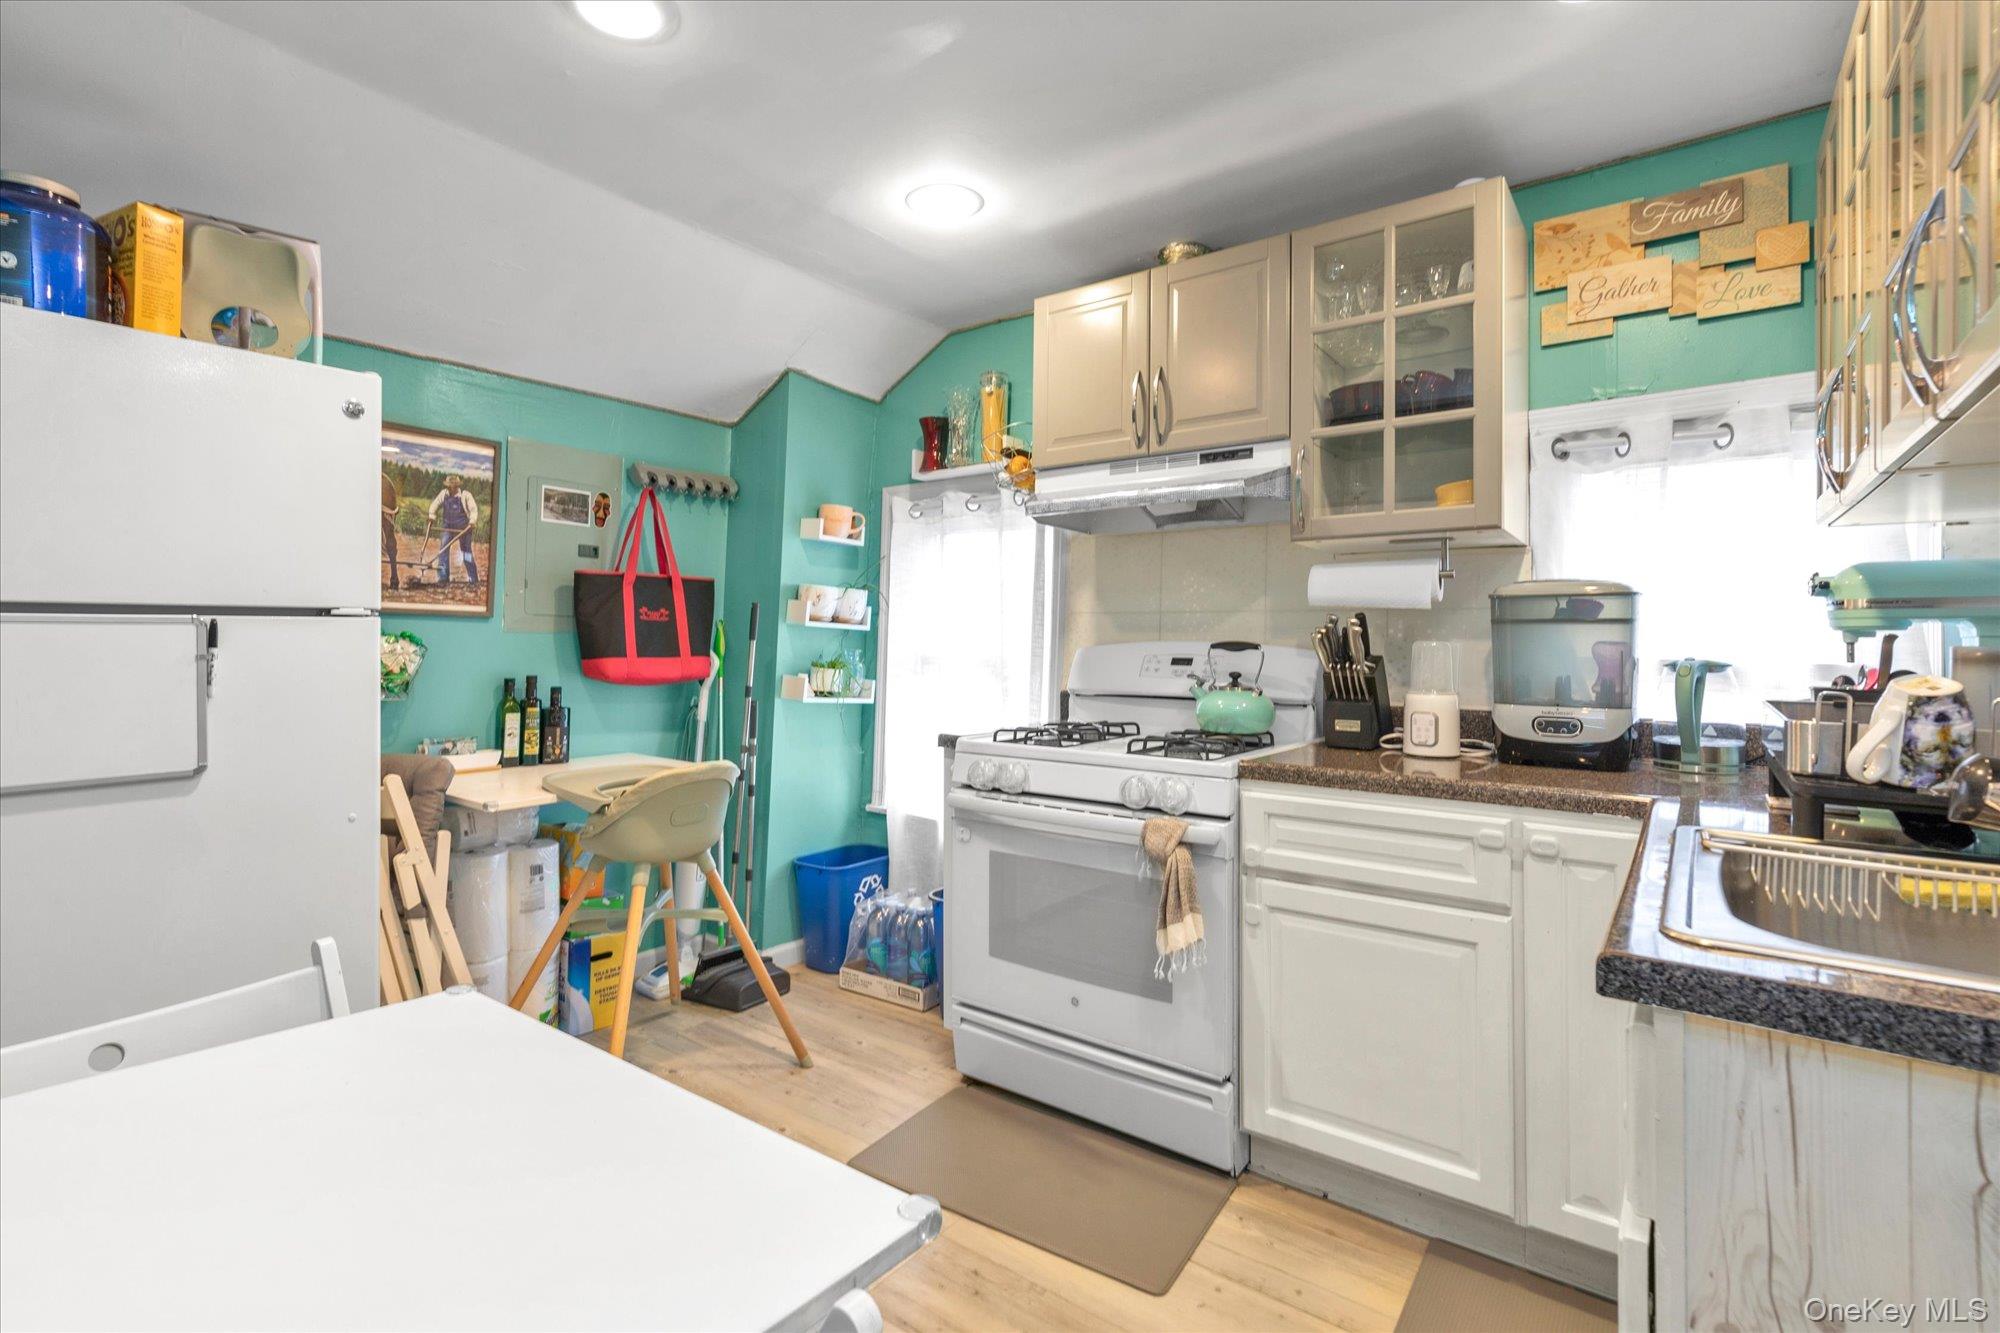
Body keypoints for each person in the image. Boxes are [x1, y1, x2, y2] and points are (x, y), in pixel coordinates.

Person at [429, 475, 480, 586]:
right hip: (448, 526)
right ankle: (443, 578)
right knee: (443, 549)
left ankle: (473, 579)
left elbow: (473, 509)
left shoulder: (465, 495)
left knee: (466, 551)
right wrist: (432, 515)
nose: (449, 488)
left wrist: (472, 521)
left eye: (451, 486)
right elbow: (435, 504)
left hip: (464, 528)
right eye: (447, 486)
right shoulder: (444, 494)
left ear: (456, 486)